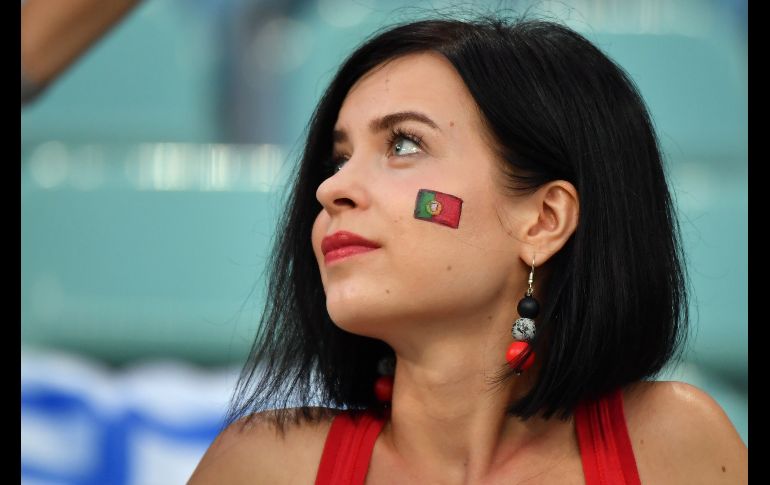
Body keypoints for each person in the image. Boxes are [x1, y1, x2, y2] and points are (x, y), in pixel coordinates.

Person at [188, 15, 747, 484]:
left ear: (543, 221)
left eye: (404, 144)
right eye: (339, 158)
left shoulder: (672, 449)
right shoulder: (262, 467)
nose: (330, 188)